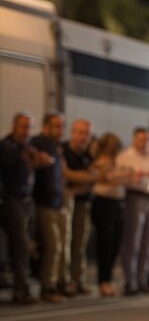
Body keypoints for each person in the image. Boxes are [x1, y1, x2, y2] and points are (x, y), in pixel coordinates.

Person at [116, 127, 149, 295]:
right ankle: (130, 282)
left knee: (147, 242)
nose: (145, 143)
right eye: (142, 139)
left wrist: (147, 173)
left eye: (148, 140)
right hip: (135, 196)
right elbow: (130, 176)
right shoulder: (126, 156)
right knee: (133, 241)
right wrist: (146, 174)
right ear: (134, 139)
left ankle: (142, 279)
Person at [1, 112, 41, 304]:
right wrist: (26, 155)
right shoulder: (7, 146)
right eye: (23, 126)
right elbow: (9, 162)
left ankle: (22, 287)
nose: (27, 131)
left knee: (25, 245)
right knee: (20, 245)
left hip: (26, 199)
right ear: (14, 127)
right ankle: (20, 289)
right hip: (11, 200)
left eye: (29, 127)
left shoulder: (27, 147)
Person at [31, 112, 69, 303]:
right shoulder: (39, 142)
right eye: (57, 126)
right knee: (52, 247)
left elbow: (60, 175)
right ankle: (48, 287)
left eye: (63, 126)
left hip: (57, 202)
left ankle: (60, 282)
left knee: (61, 246)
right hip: (43, 202)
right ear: (46, 126)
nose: (61, 130)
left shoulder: (55, 146)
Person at [90, 133, 131, 298]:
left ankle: (109, 279)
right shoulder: (99, 162)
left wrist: (119, 176)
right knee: (104, 243)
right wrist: (120, 176)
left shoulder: (119, 162)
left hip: (117, 202)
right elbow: (107, 178)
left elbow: (127, 178)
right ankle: (103, 281)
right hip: (103, 202)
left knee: (115, 243)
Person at [61, 119, 98, 296]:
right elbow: (66, 174)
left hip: (83, 202)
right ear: (73, 132)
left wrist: (78, 183)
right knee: (64, 242)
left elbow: (95, 177)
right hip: (65, 203)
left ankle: (78, 279)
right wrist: (84, 177)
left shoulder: (89, 155)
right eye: (81, 132)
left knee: (80, 243)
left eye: (87, 133)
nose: (84, 137)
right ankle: (64, 280)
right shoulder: (64, 150)